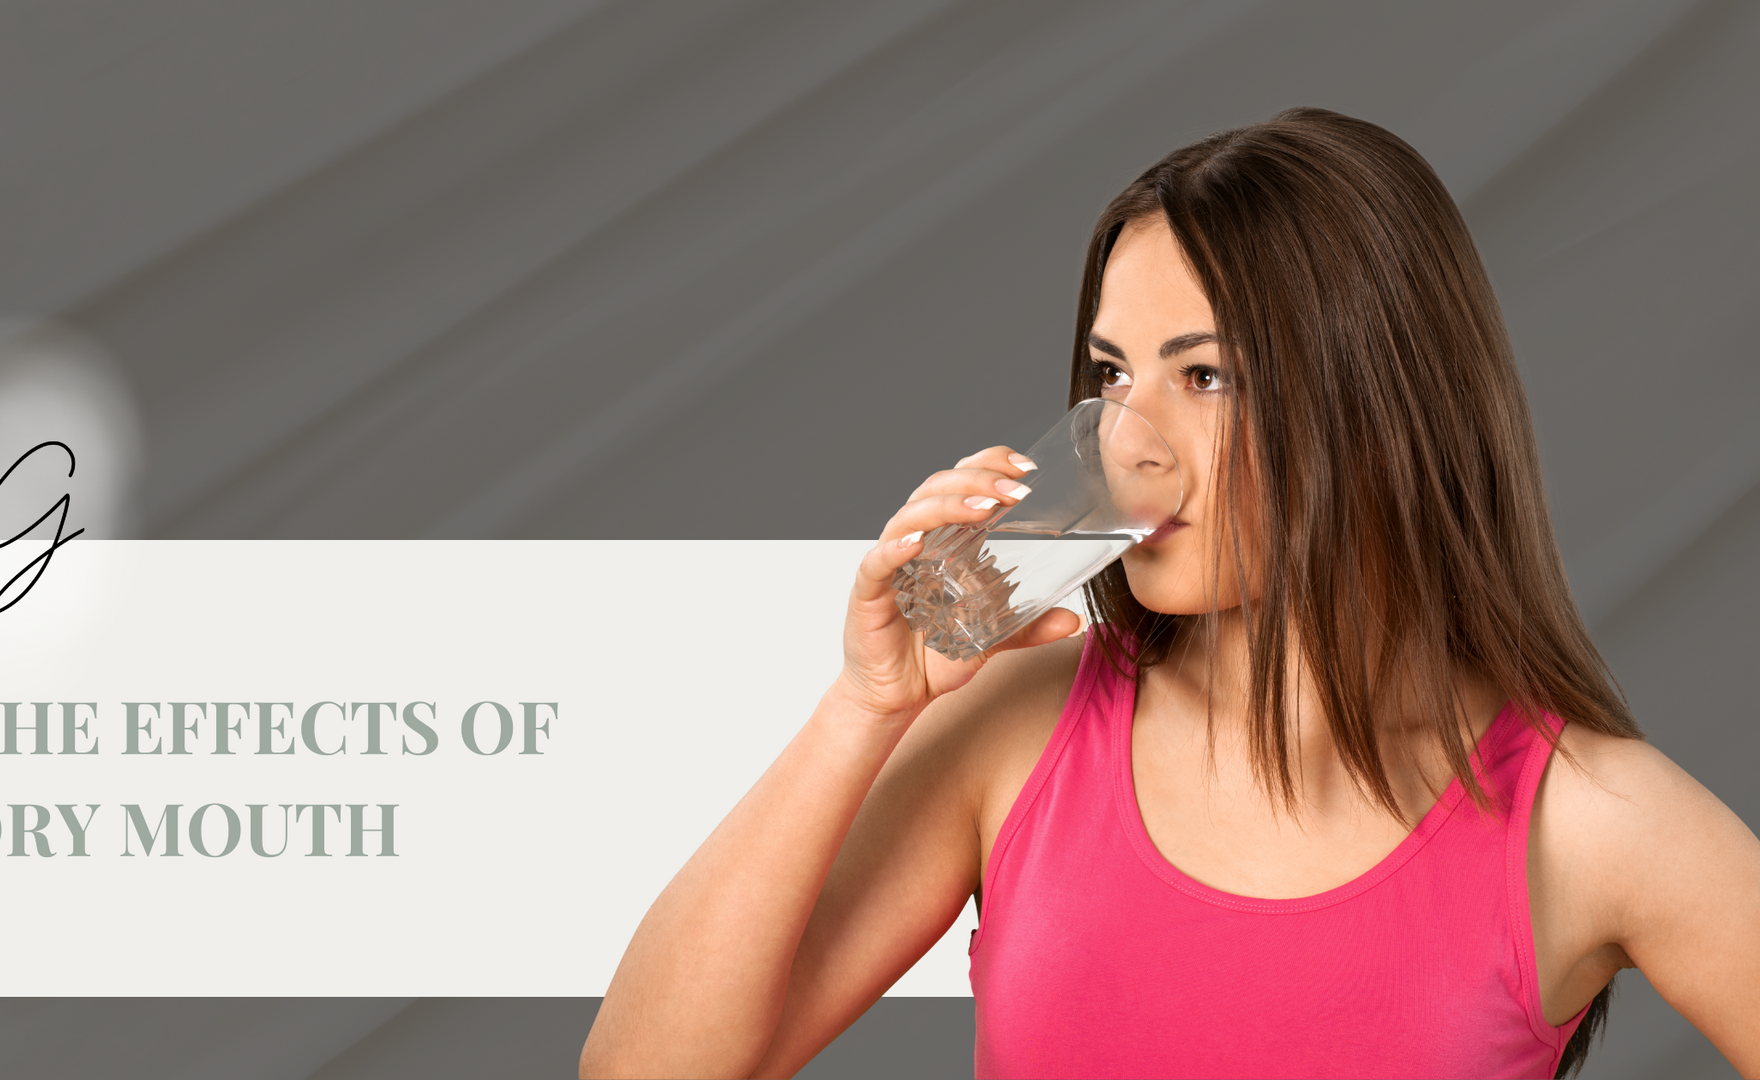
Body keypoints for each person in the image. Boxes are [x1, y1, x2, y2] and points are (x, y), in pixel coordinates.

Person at [578, 108, 1760, 1079]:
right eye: (1111, 373)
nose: (1126, 439)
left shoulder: (1588, 822)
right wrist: (863, 709)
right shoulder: (1016, 730)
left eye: (1205, 376)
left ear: (1377, 402)